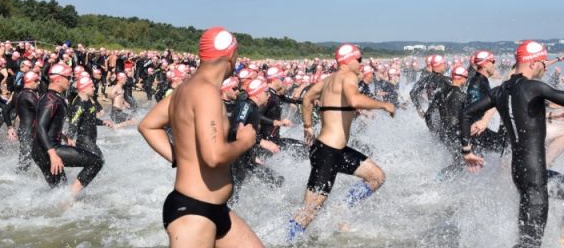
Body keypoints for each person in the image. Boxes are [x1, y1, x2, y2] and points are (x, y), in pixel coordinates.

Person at [461, 41, 564, 248]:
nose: (545, 66)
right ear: (532, 63)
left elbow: (466, 113)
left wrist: (466, 150)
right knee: (529, 245)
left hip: (521, 172)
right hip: (534, 176)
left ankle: (562, 243)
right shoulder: (534, 87)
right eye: (543, 61)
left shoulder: (500, 91)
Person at [161, 27, 262, 247]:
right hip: (194, 214)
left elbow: (148, 125)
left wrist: (180, 156)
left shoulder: (186, 88)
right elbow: (215, 156)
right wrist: (244, 142)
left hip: (216, 209)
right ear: (230, 55)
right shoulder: (206, 92)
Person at [287, 44, 395, 242]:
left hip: (335, 150)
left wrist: (308, 125)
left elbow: (308, 97)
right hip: (327, 153)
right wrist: (383, 105)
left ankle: (342, 208)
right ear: (349, 60)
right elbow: (354, 100)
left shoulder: (328, 80)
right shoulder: (348, 77)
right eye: (359, 59)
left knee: (376, 177)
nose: (362, 64)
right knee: (309, 212)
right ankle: (285, 241)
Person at [31, 64, 104, 200]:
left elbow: (46, 125)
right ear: (58, 79)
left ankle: (60, 206)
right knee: (96, 162)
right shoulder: (51, 99)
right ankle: (70, 198)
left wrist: (64, 136)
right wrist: (52, 154)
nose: (70, 80)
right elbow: (39, 127)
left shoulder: (53, 97)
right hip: (48, 150)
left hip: (40, 150)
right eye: (68, 77)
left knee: (59, 189)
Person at [68, 76, 114, 160]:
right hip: (84, 141)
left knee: (98, 161)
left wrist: (103, 122)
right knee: (99, 160)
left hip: (90, 140)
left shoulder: (88, 100)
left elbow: (89, 118)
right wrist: (70, 138)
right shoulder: (79, 104)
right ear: (84, 89)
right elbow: (74, 121)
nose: (94, 88)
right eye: (92, 87)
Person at [15, 71, 40, 172]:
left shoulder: (23, 93)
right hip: (27, 132)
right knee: (25, 161)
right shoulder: (28, 95)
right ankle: (17, 182)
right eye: (37, 80)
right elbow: (41, 110)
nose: (38, 83)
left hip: (27, 130)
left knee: (28, 159)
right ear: (31, 81)